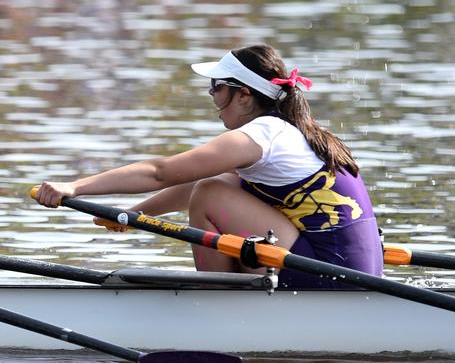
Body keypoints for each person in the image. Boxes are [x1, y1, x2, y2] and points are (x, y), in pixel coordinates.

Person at [33, 44, 382, 289]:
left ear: (244, 95)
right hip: (353, 269)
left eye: (217, 88)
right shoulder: (288, 132)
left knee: (209, 193)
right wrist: (129, 215)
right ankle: (236, 294)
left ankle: (218, 302)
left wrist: (74, 187)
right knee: (215, 186)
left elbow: (161, 172)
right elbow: (203, 182)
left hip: (332, 273)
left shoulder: (262, 134)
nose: (213, 98)